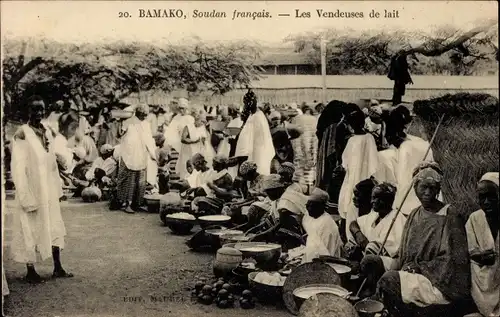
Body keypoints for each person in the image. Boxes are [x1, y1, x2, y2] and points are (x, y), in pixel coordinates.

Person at [375, 162, 470, 317]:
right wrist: (403, 264)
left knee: (390, 280)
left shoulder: (450, 216)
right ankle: (382, 306)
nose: (427, 192)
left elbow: (454, 261)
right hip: (410, 270)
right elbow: (403, 251)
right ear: (415, 188)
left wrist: (420, 268)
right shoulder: (414, 214)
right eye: (423, 187)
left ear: (438, 190)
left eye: (432, 188)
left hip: (437, 283)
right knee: (372, 262)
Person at [10, 95, 73, 283]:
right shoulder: (22, 134)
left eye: (41, 109)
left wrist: (60, 182)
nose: (38, 113)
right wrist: (25, 196)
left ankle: (58, 267)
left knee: (53, 226)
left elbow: (53, 160)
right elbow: (18, 168)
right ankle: (30, 270)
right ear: (27, 111)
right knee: (29, 228)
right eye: (34, 109)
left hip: (49, 189)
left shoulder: (47, 131)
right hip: (31, 189)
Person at [352, 183, 406, 297]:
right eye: (372, 198)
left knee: (370, 260)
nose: (372, 202)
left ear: (388, 200)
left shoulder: (397, 219)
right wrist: (359, 235)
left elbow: (394, 251)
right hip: (371, 258)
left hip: (391, 261)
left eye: (377, 198)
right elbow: (353, 224)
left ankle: (373, 292)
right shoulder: (374, 215)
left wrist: (369, 246)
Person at [338, 108, 379, 241]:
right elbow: (374, 164)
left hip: (357, 181)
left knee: (354, 206)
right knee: (358, 208)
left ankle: (354, 238)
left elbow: (345, 163)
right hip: (361, 180)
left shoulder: (354, 140)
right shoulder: (368, 138)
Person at [388, 105, 438, 216]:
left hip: (408, 201)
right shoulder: (421, 142)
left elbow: (403, 179)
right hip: (427, 197)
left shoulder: (404, 148)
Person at [466, 172, 499, 317]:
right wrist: (480, 256)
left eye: (491, 196)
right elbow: (470, 251)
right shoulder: (474, 219)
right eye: (482, 197)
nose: (486, 202)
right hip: (483, 284)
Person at [116, 104, 157, 213]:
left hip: (141, 155)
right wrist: (120, 121)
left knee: (141, 181)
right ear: (138, 113)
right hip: (129, 154)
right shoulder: (129, 122)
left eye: (146, 115)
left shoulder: (146, 124)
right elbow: (119, 134)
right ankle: (126, 204)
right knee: (130, 180)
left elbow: (149, 140)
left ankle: (138, 203)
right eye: (142, 114)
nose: (144, 116)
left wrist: (153, 154)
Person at [232, 89, 275, 177]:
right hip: (252, 147)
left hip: (259, 147)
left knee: (259, 168)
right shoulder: (253, 115)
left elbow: (258, 136)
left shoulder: (258, 116)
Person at [302, 188, 343, 263]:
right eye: (307, 206)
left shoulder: (327, 224)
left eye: (312, 206)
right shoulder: (310, 217)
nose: (308, 209)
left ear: (322, 206)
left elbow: (327, 253)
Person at [176, 110, 213, 179]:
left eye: (204, 122)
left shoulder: (202, 127)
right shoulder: (188, 127)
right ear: (196, 119)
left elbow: (206, 139)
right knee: (188, 168)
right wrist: (194, 141)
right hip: (188, 151)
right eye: (201, 121)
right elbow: (183, 139)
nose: (202, 123)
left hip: (199, 151)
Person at [290, 104, 318, 188]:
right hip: (311, 143)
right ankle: (310, 183)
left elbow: (293, 134)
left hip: (300, 143)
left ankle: (300, 183)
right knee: (311, 162)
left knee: (300, 162)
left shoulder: (296, 119)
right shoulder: (315, 119)